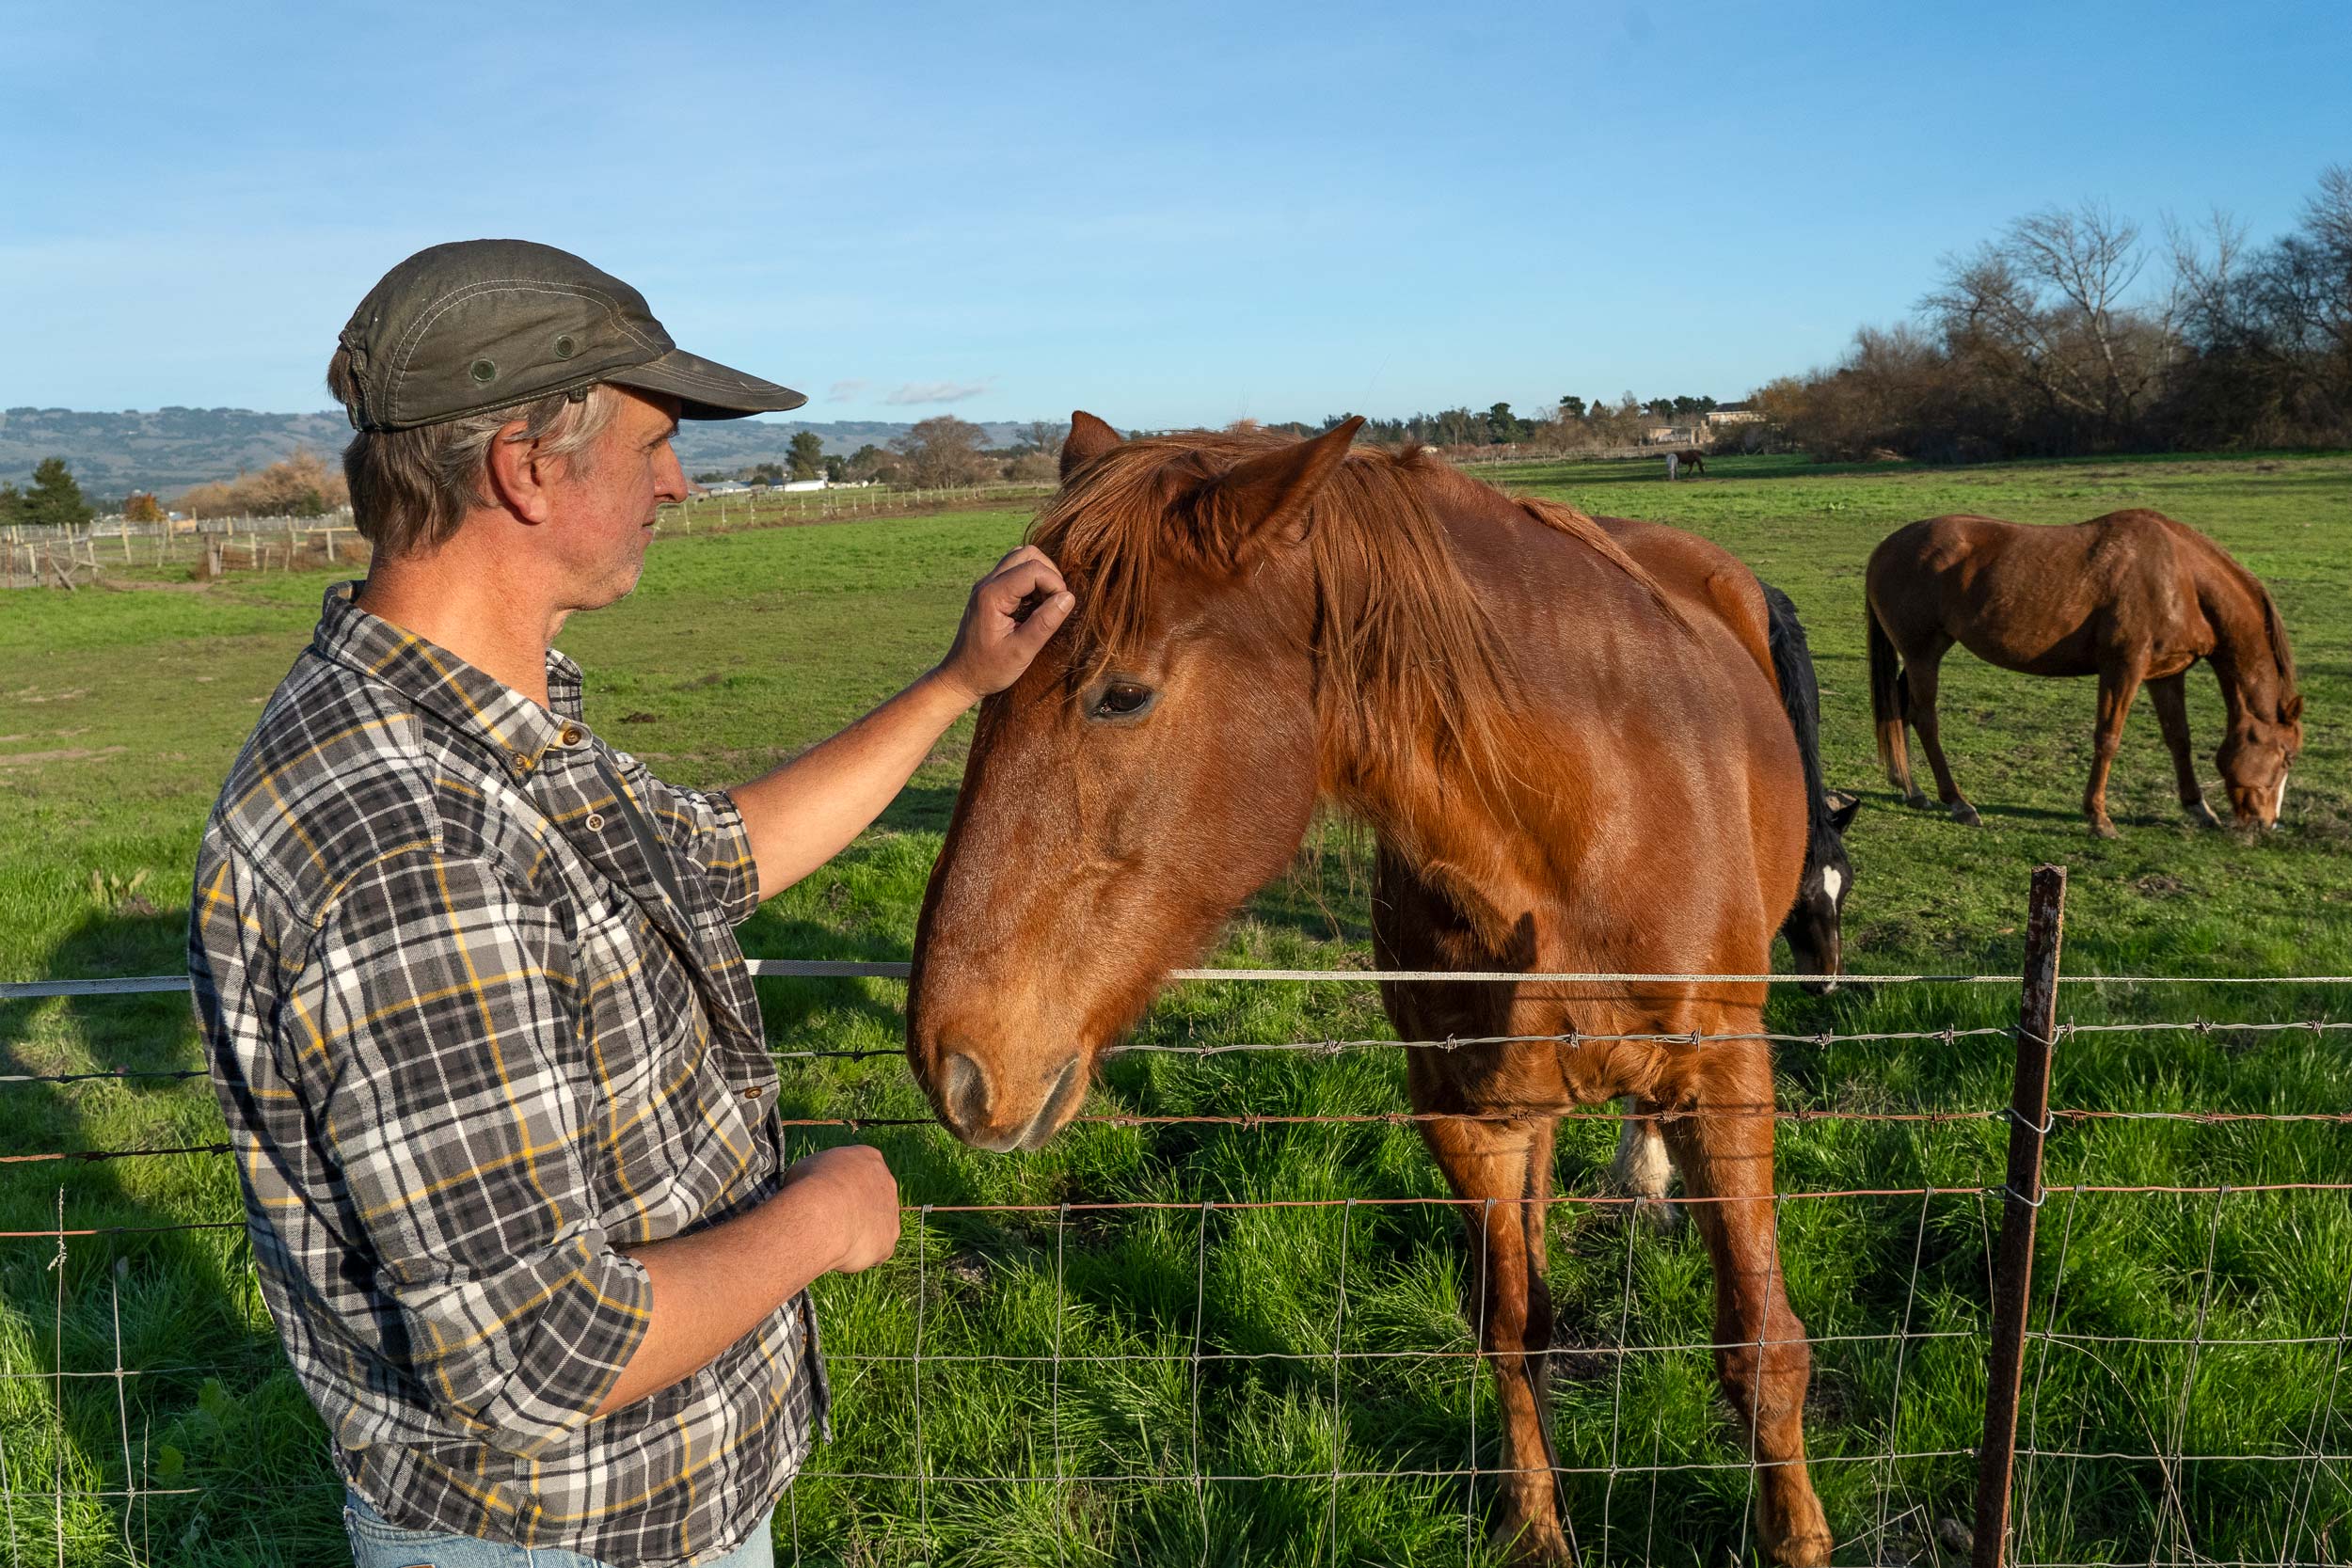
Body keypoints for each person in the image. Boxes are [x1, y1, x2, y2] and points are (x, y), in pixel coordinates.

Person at [189, 239, 1074, 1568]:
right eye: (656, 442)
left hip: (649, 1510)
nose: (677, 481)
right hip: (562, 1539)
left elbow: (719, 859)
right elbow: (542, 1354)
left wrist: (958, 683)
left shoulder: (504, 724)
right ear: (526, 467)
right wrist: (820, 1218)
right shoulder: (406, 844)